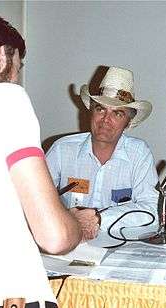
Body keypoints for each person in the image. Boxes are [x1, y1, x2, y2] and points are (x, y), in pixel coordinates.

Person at [0, 12, 98, 308]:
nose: (17, 78)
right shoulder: (6, 100)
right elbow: (55, 237)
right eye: (18, 67)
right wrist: (75, 223)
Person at [46, 66, 159, 237]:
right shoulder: (62, 149)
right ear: (91, 112)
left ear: (128, 122)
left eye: (118, 114)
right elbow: (33, 198)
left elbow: (151, 213)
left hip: (119, 245)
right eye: (100, 109)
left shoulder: (139, 154)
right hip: (69, 241)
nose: (106, 120)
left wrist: (99, 218)